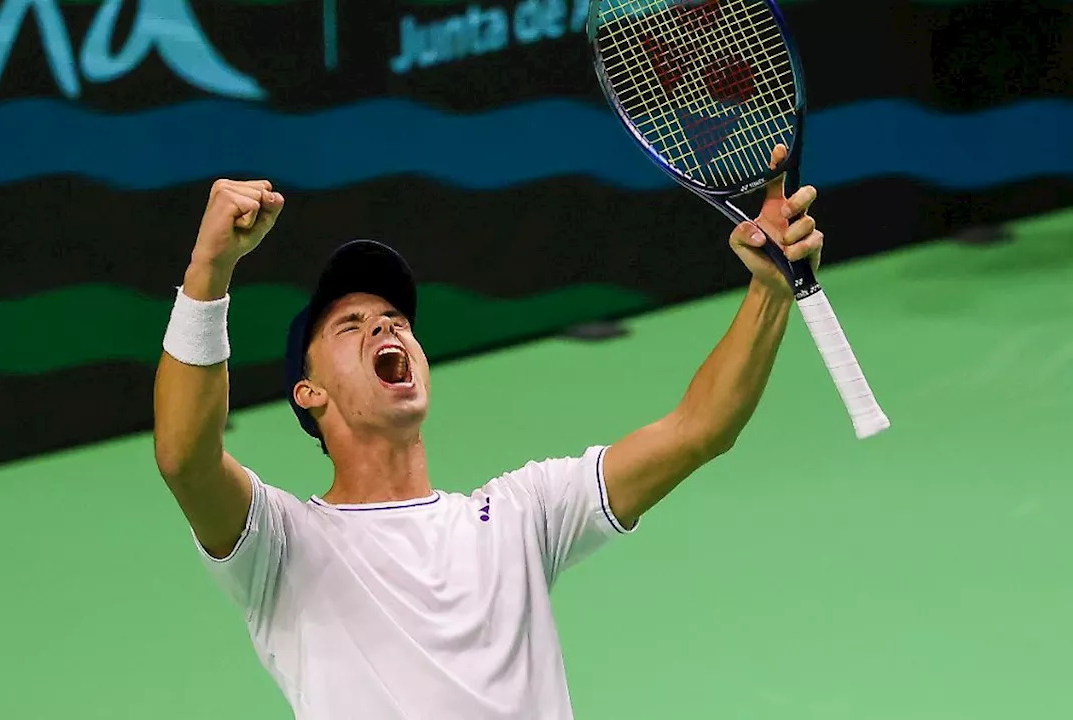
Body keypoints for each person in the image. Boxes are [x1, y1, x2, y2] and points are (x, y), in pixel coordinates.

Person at [153, 144, 824, 719]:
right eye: (350, 326)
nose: (387, 327)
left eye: (394, 319)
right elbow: (186, 456)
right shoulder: (283, 548)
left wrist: (767, 290)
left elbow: (698, 429)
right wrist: (208, 271)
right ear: (310, 394)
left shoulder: (520, 516)